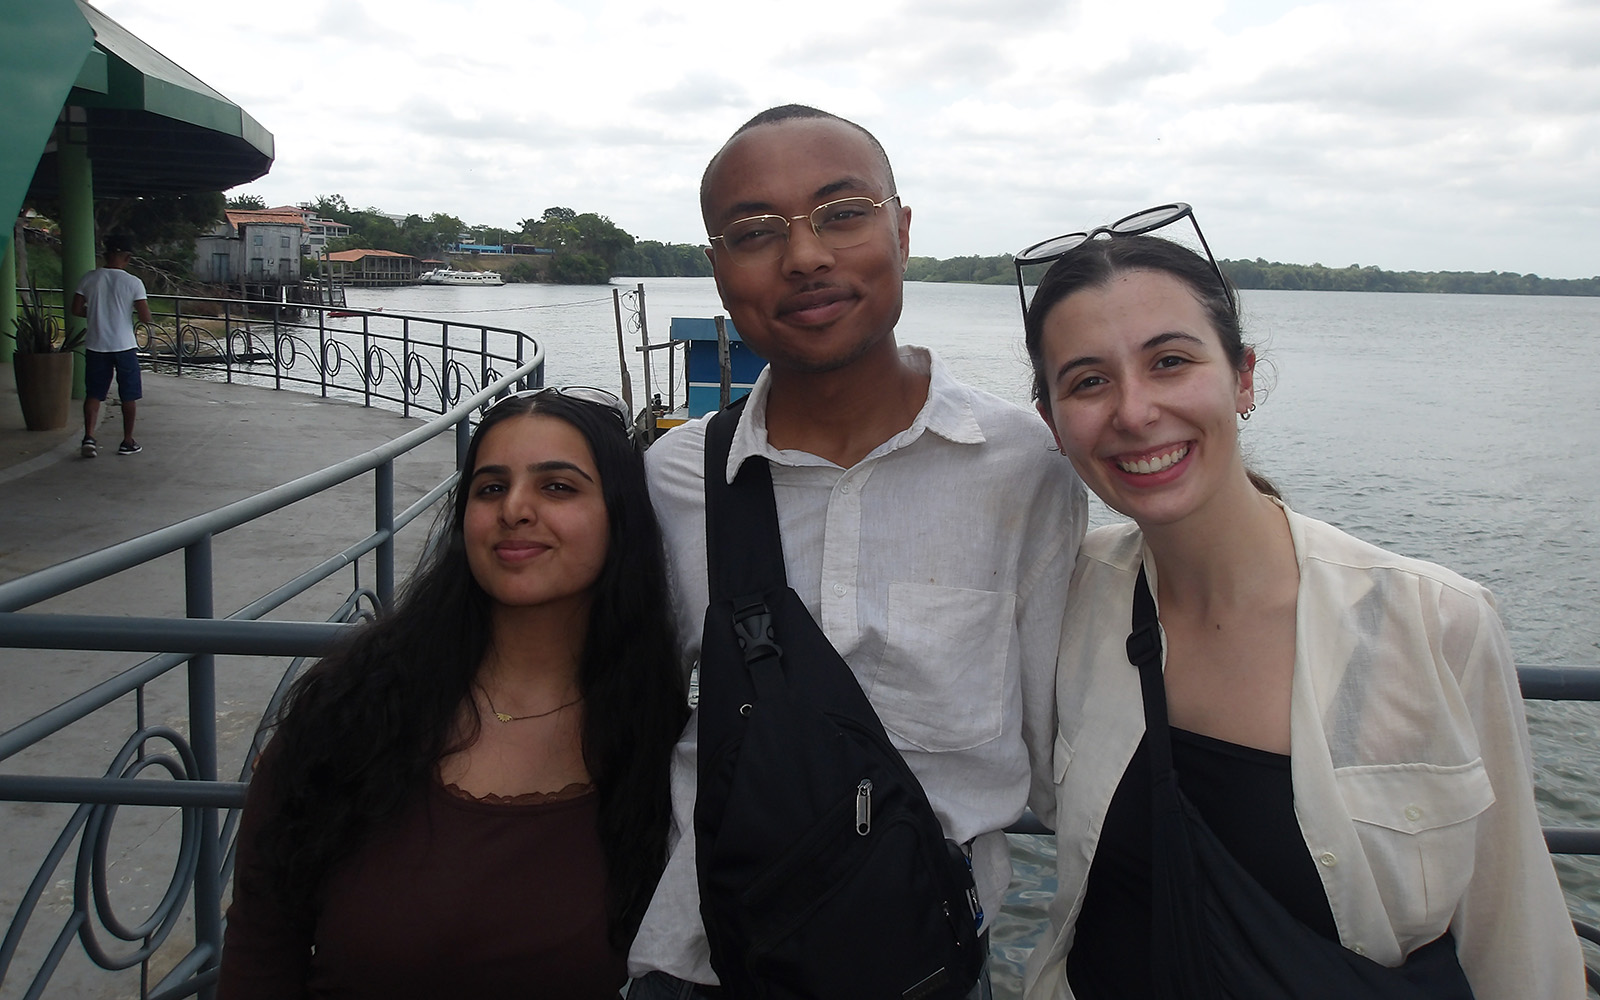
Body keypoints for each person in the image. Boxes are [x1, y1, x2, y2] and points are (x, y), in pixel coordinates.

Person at [1017, 208, 1584, 999]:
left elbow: (1514, 932)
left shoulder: (1432, 623)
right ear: (1052, 423)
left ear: (1243, 377)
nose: (1135, 411)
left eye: (1170, 362)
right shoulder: (1067, 600)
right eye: (1088, 382)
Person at [627, 105, 1087, 998]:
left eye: (842, 214)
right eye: (755, 233)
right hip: (702, 962)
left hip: (921, 957)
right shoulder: (675, 479)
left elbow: (1062, 743)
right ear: (718, 268)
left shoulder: (1023, 469)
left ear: (902, 231)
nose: (804, 257)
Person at [219, 388, 688, 999]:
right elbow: (261, 944)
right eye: (490, 488)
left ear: (619, 517)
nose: (514, 509)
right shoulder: (353, 713)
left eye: (557, 487)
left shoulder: (667, 746)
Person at [71, 233, 152, 457]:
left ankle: (89, 437)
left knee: (94, 393)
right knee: (129, 394)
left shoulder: (89, 278)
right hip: (124, 345)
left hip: (96, 344)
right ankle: (127, 441)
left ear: (105, 255)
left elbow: (76, 309)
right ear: (127, 257)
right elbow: (145, 317)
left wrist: (95, 313)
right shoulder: (133, 282)